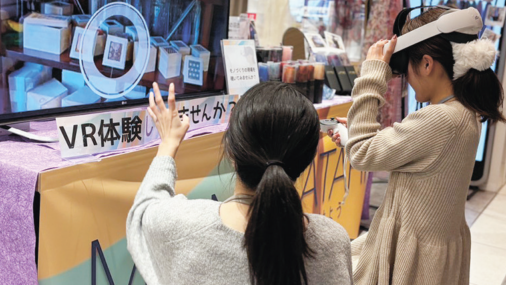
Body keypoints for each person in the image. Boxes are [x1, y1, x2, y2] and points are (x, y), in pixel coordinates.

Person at [330, 8, 505, 285]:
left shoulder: (440, 118)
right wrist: (354, 135)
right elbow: (415, 152)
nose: (407, 80)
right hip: (428, 255)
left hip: (414, 265)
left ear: (426, 64)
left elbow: (362, 154)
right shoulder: (465, 113)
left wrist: (373, 73)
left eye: (406, 70)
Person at [127, 81, 353, 285]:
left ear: (232, 152)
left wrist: (168, 144)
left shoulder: (181, 226)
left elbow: (142, 211)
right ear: (306, 159)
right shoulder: (332, 241)